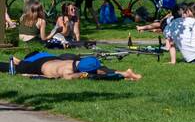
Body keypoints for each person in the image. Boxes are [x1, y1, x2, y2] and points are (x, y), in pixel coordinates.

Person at [9, 51, 141, 80]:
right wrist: (30, 75)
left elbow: (96, 69)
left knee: (99, 69)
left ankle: (127, 72)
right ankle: (16, 60)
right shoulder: (67, 72)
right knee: (19, 66)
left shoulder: (78, 63)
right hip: (40, 65)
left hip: (54, 59)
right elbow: (72, 77)